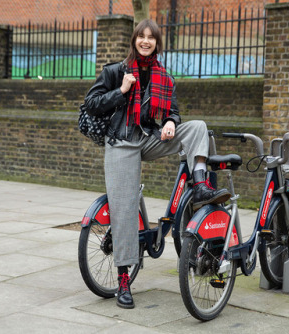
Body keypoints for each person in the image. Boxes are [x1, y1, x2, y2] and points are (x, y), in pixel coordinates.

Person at [84, 19, 231, 309]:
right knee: (124, 207)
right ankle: (124, 278)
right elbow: (92, 103)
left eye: (151, 38)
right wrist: (122, 91)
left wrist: (170, 123)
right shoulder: (115, 71)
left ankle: (200, 184)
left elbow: (174, 112)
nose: (146, 41)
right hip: (121, 142)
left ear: (157, 43)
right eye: (142, 36)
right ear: (134, 40)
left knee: (198, 127)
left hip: (149, 138)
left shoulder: (164, 76)